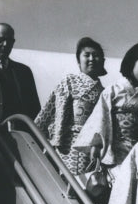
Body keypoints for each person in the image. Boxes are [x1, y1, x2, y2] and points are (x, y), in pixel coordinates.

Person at [73, 35, 138, 188]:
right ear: (131, 63)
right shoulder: (112, 92)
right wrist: (96, 145)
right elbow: (100, 120)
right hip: (115, 157)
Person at [34, 37, 106, 176]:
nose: (91, 59)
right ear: (78, 60)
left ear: (103, 61)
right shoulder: (70, 81)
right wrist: (54, 137)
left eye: (96, 55)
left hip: (92, 146)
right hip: (67, 143)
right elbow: (51, 111)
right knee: (65, 180)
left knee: (87, 182)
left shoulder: (104, 92)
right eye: (87, 55)